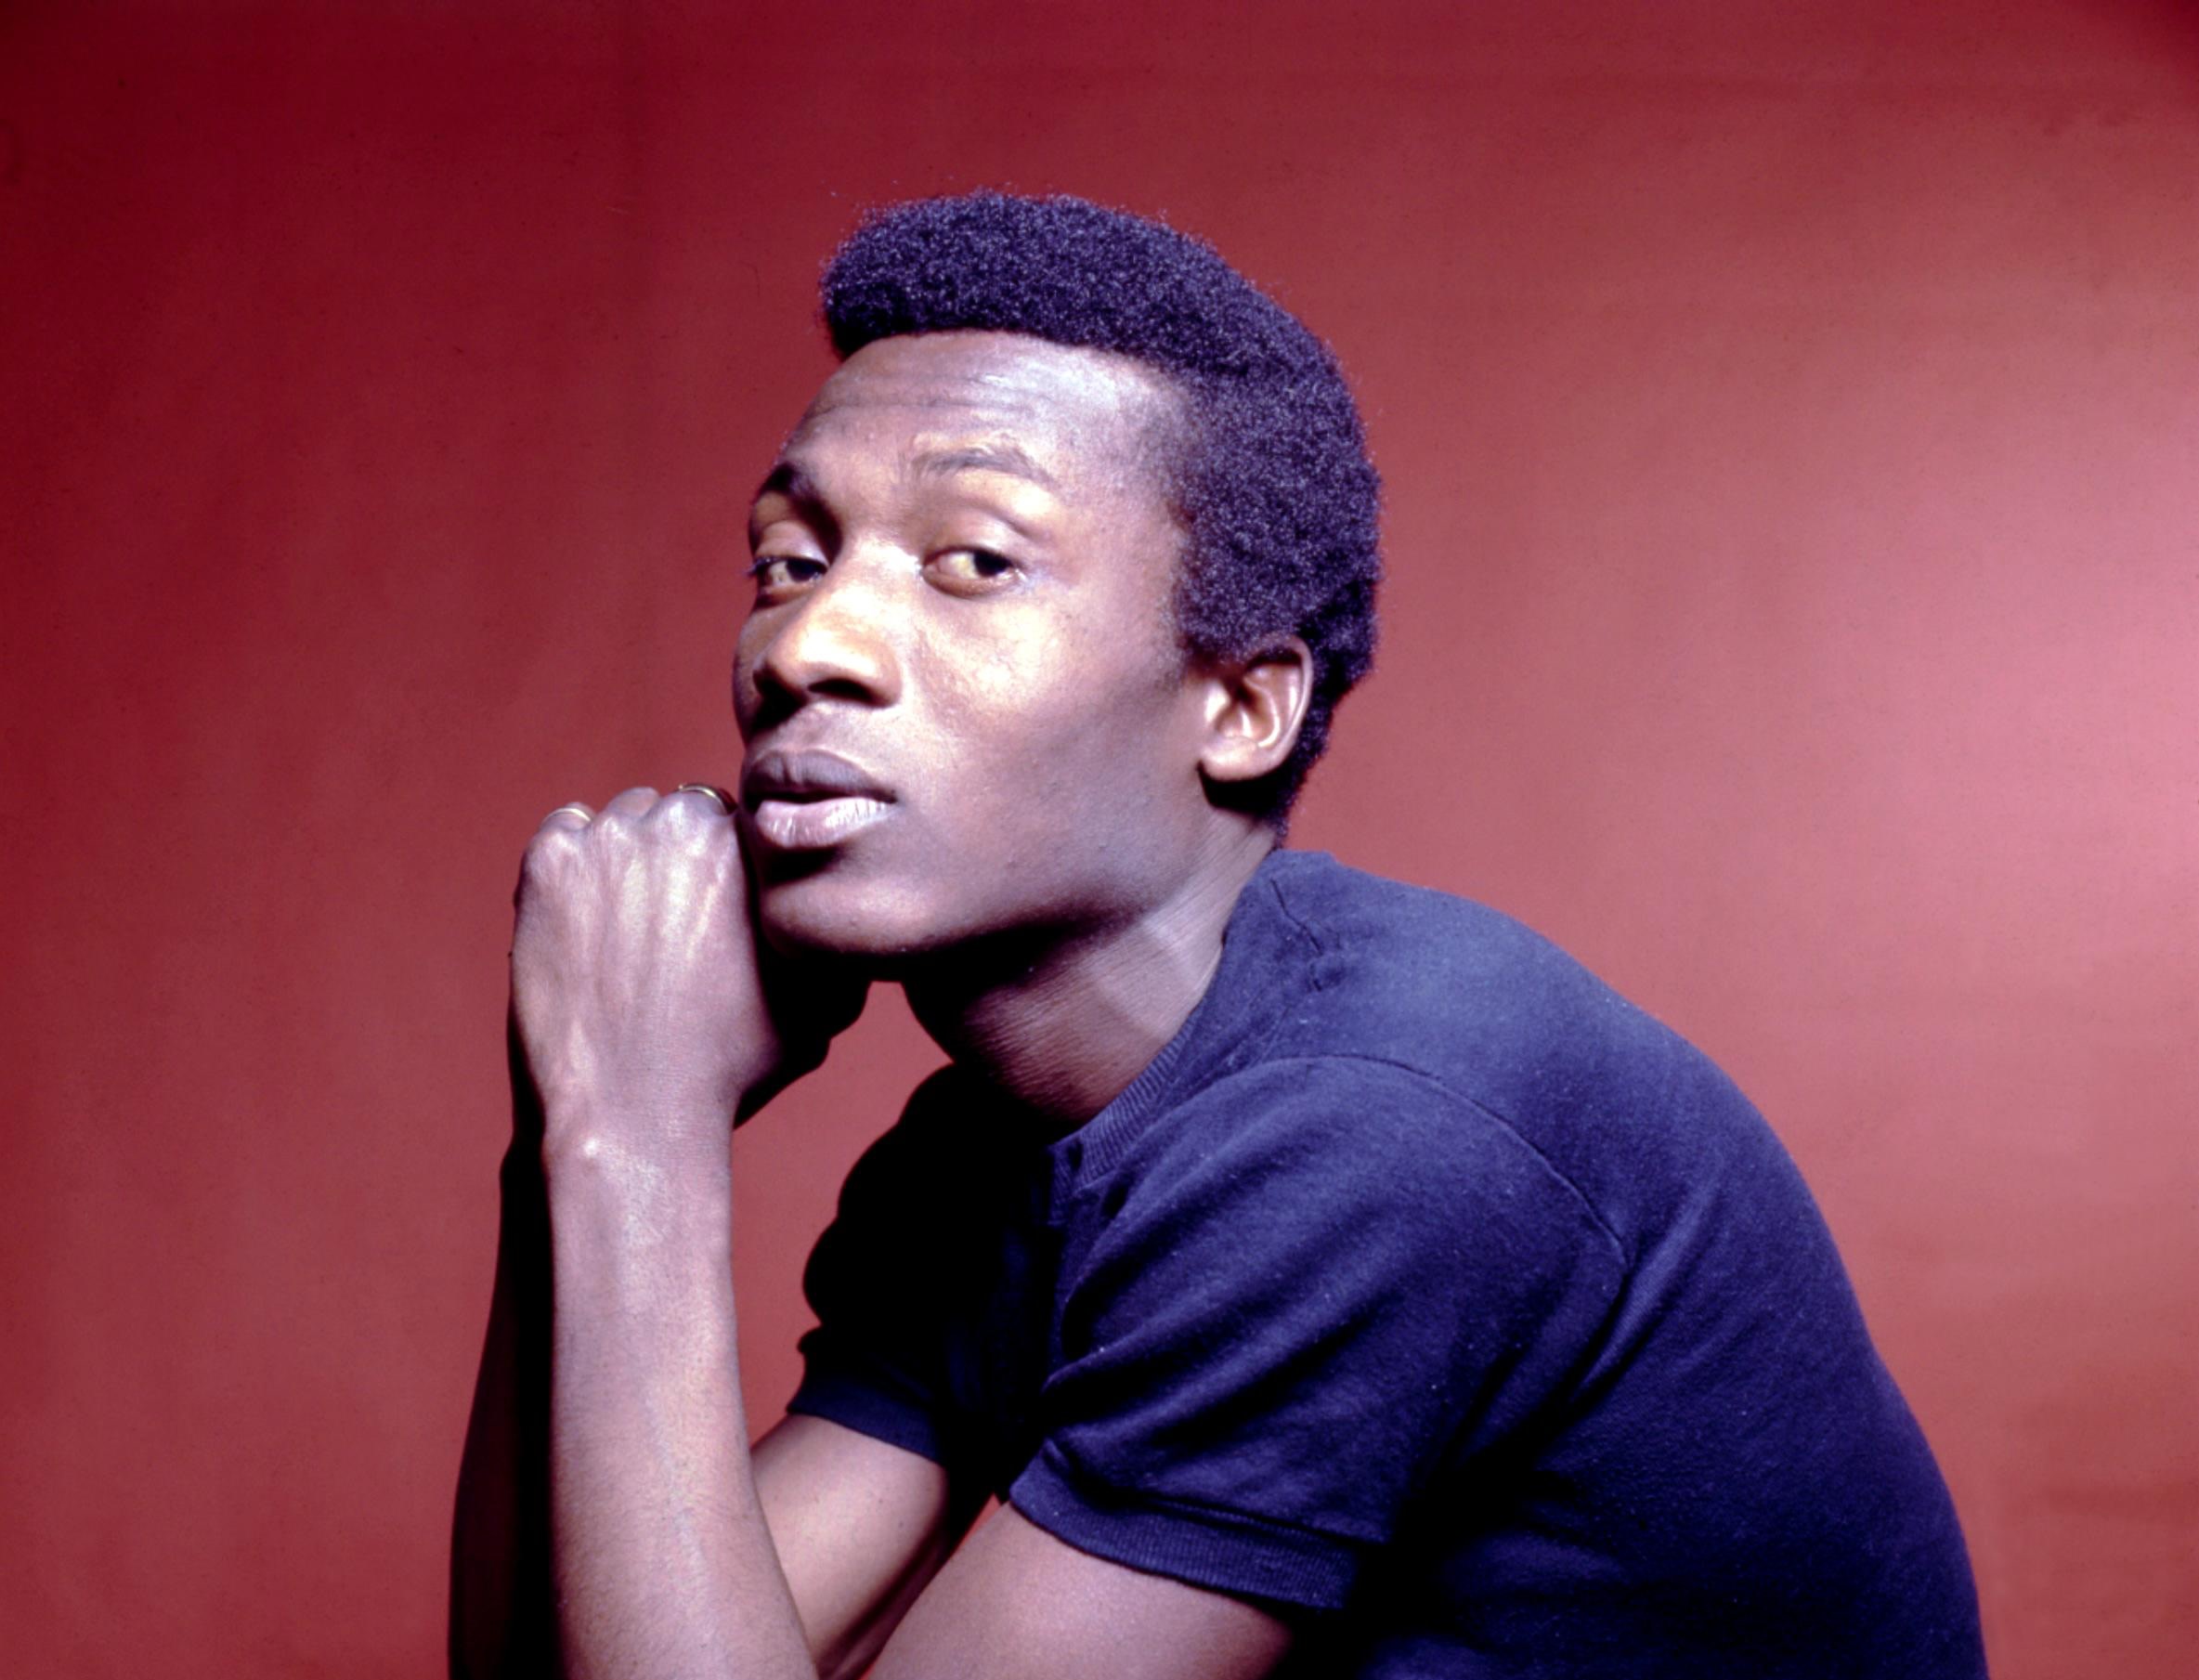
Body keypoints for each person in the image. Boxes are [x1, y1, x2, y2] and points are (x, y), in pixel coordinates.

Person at [449, 191, 1985, 1679]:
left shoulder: (1377, 1126)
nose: (807, 645)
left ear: (1242, 707)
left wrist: (639, 1138)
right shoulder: (978, 1166)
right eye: (788, 562)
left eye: (971, 560)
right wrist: (570, 1127)